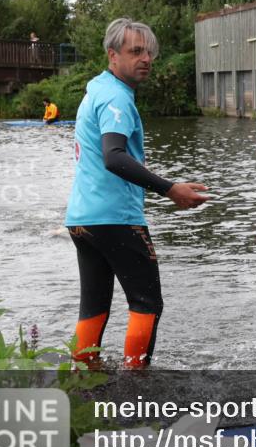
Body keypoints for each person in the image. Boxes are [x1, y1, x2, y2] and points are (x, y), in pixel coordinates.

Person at [65, 18, 210, 368]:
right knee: (147, 305)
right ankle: (135, 385)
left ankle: (83, 381)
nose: (145, 58)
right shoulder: (116, 97)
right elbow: (113, 156)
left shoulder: (97, 90)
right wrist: (170, 189)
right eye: (135, 51)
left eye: (149, 52)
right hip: (116, 218)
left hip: (82, 219)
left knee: (94, 305)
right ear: (112, 55)